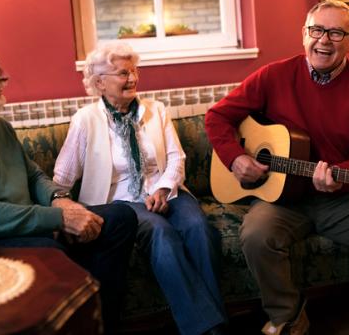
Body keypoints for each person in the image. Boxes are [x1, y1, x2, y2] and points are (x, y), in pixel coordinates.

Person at [205, 0, 349, 335]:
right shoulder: (274, 75)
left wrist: (340, 179)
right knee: (257, 235)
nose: (324, 40)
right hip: (282, 199)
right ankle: (287, 315)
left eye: (336, 32)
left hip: (342, 199)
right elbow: (217, 116)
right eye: (317, 30)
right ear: (304, 35)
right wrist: (235, 157)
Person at [0, 32, 138, 333]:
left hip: (24, 225)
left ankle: (98, 324)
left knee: (121, 217)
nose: (5, 75)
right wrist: (57, 219)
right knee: (47, 250)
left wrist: (61, 200)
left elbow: (32, 175)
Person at [53, 42, 228, 335]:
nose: (132, 79)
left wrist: (162, 189)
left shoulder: (155, 110)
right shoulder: (85, 120)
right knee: (161, 233)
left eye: (134, 71)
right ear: (99, 83)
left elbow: (176, 158)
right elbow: (63, 175)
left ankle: (210, 322)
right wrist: (59, 208)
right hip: (121, 201)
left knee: (199, 227)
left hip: (166, 190)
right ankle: (210, 329)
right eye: (123, 73)